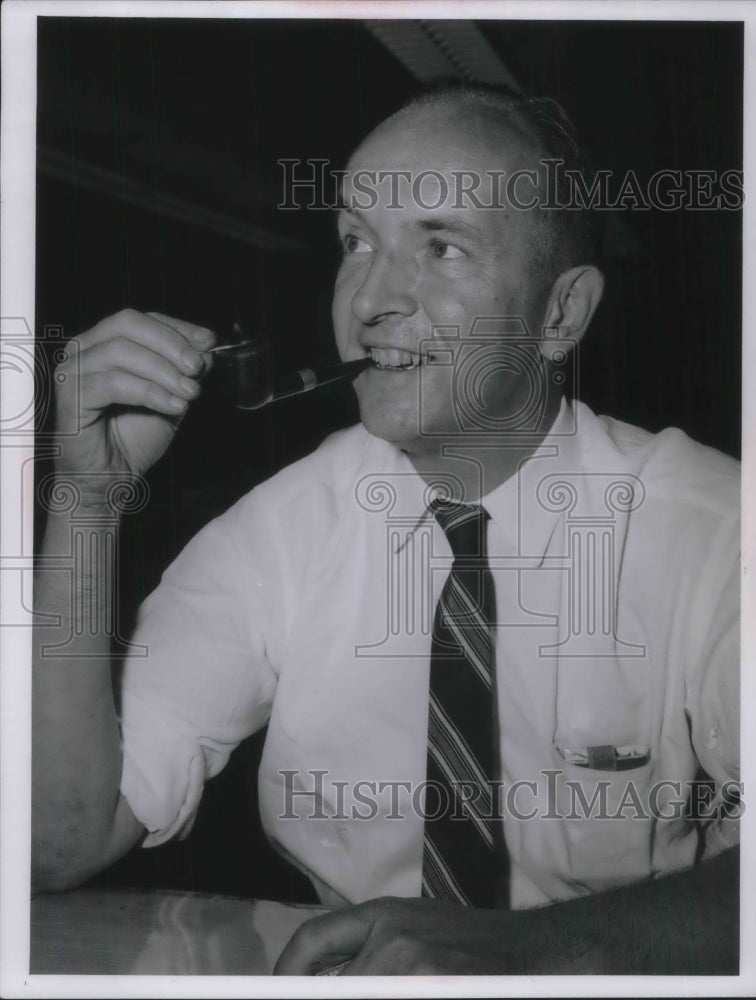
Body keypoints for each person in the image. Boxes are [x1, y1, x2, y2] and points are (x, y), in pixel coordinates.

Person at [32, 84, 740, 975]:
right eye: (355, 242)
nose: (369, 300)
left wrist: (534, 954)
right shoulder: (278, 531)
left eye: (439, 246)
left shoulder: (718, 532)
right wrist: (86, 500)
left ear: (560, 317)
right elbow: (59, 843)